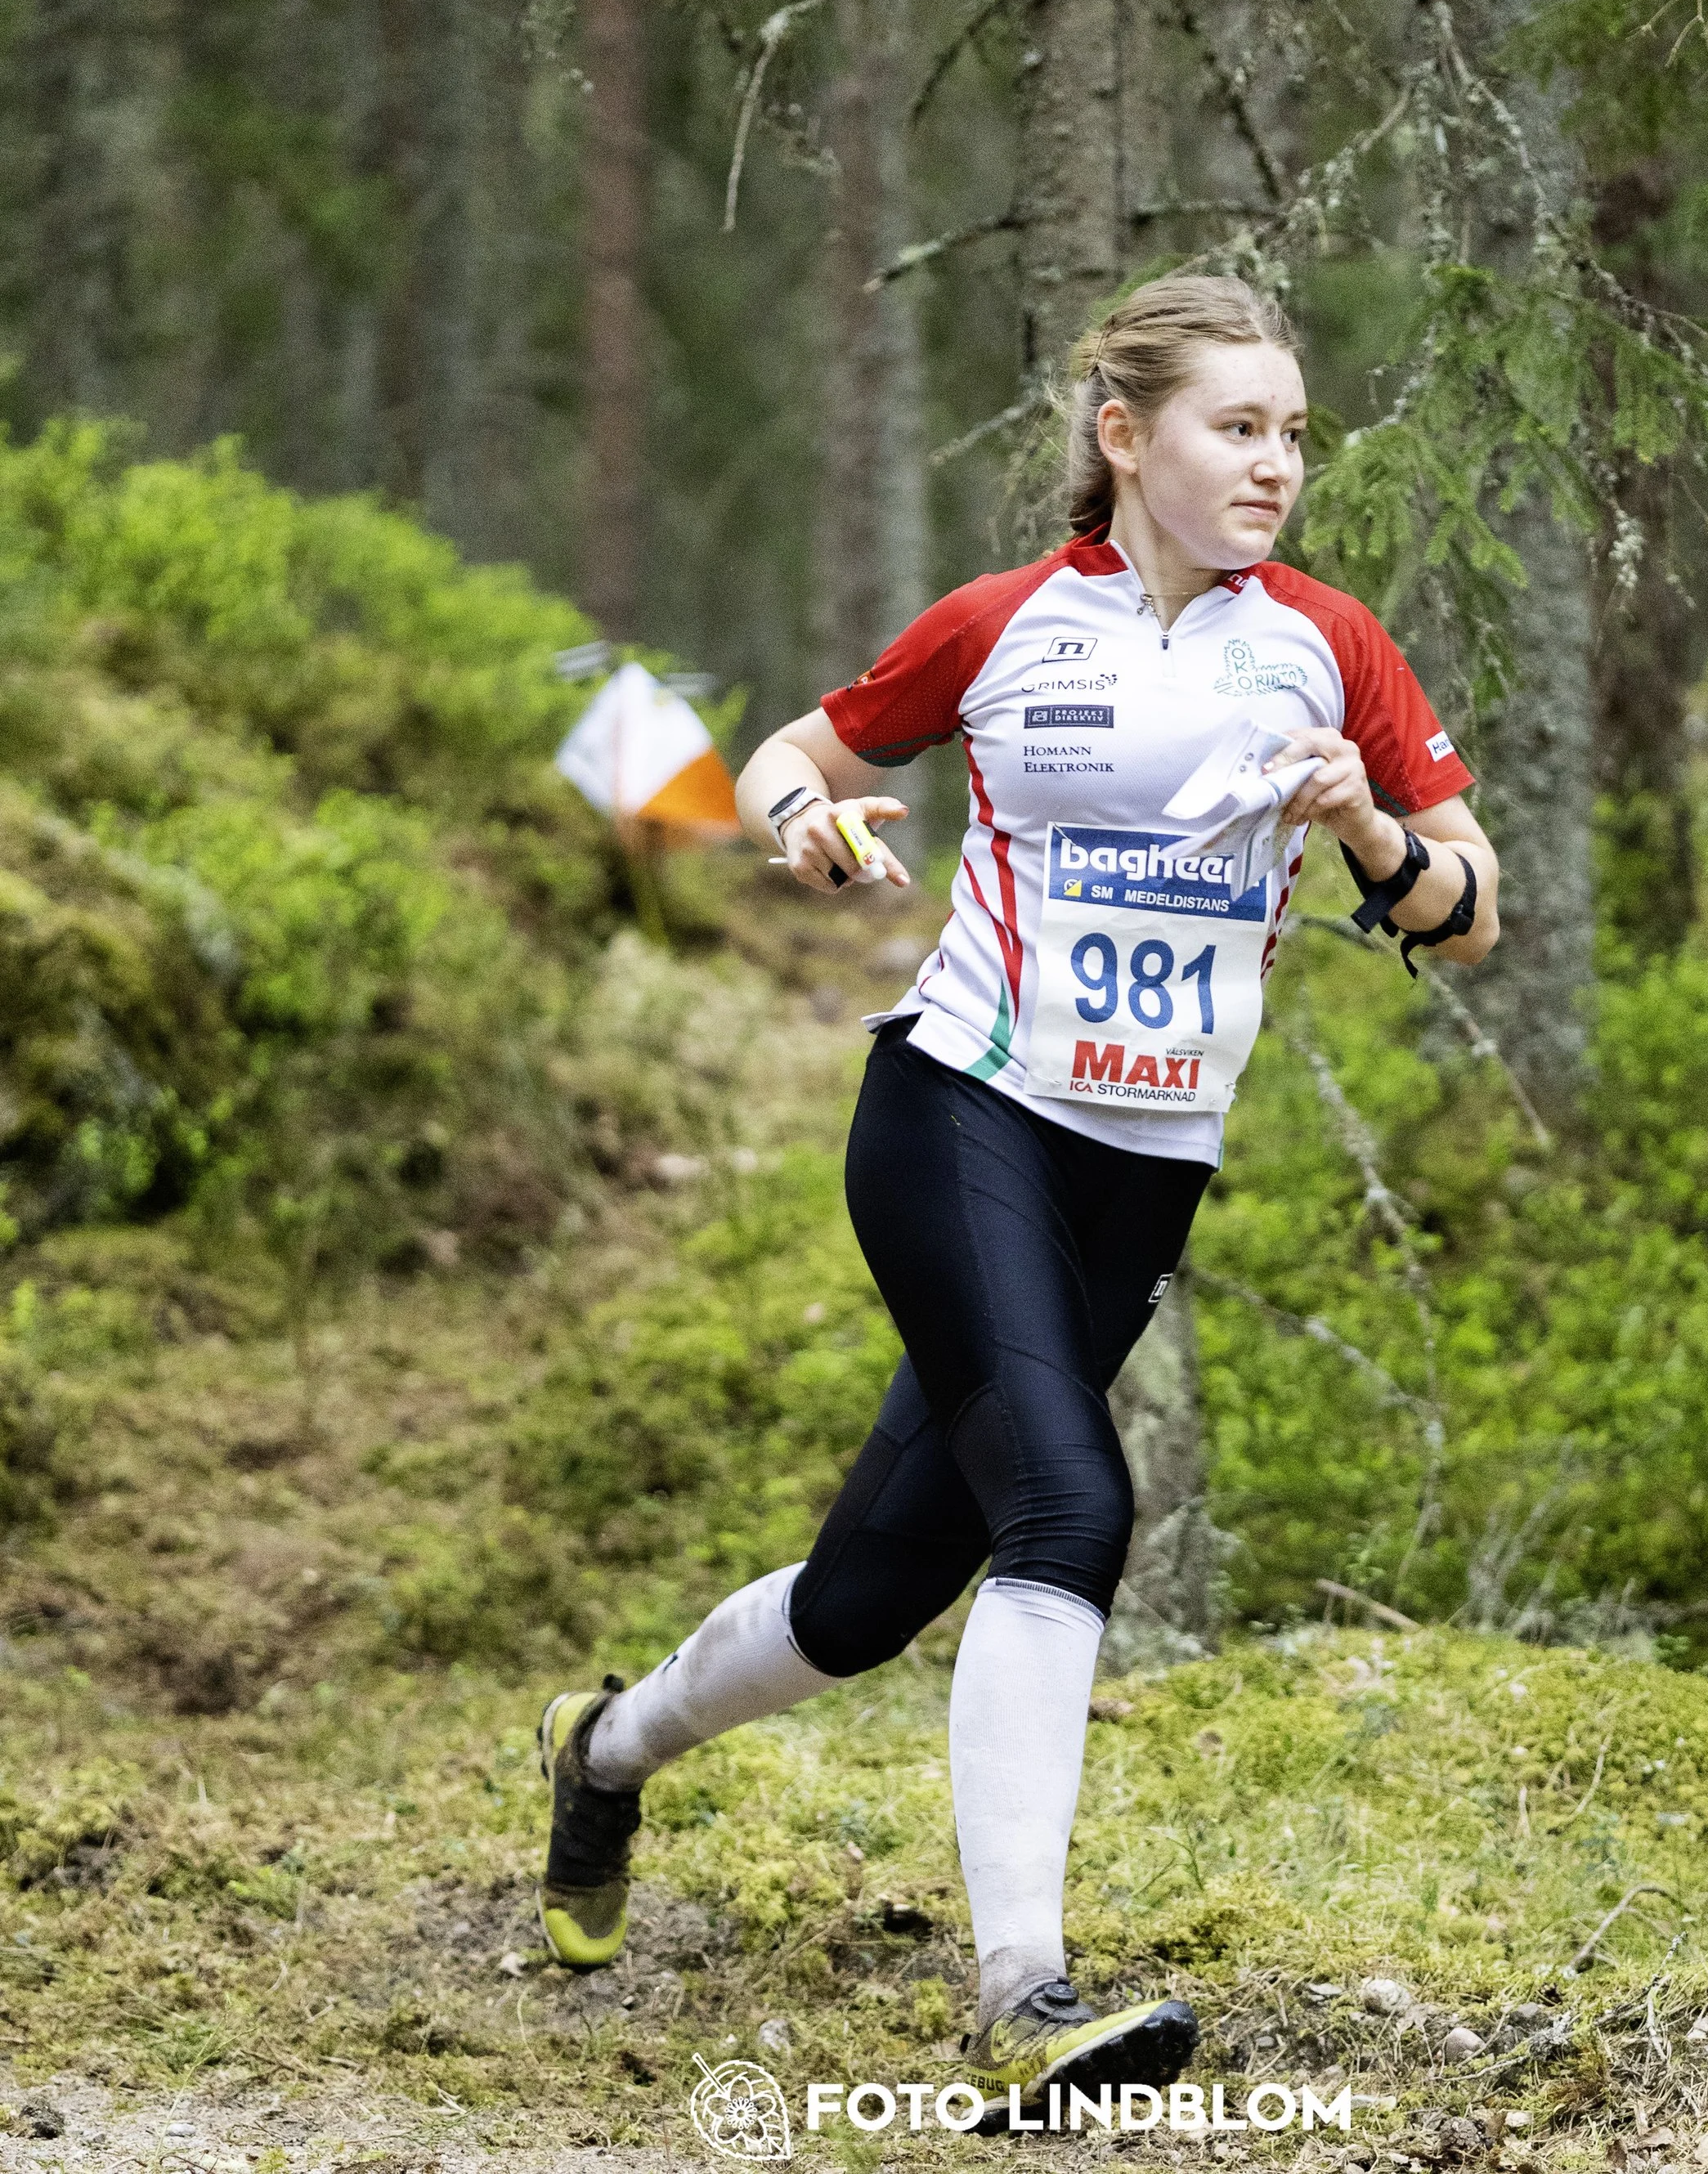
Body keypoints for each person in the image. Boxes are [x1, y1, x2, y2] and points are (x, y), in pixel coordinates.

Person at [533, 272, 1499, 2116]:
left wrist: (1365, 828)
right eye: (1236, 426)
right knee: (1066, 1501)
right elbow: (796, 754)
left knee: (864, 1598)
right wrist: (803, 823)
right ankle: (1023, 1997)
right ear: (1125, 436)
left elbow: (1469, 908)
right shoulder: (1003, 624)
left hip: (1144, 1171)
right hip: (960, 1104)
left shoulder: (1330, 647)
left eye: (1294, 433)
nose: (1276, 464)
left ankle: (605, 1748)